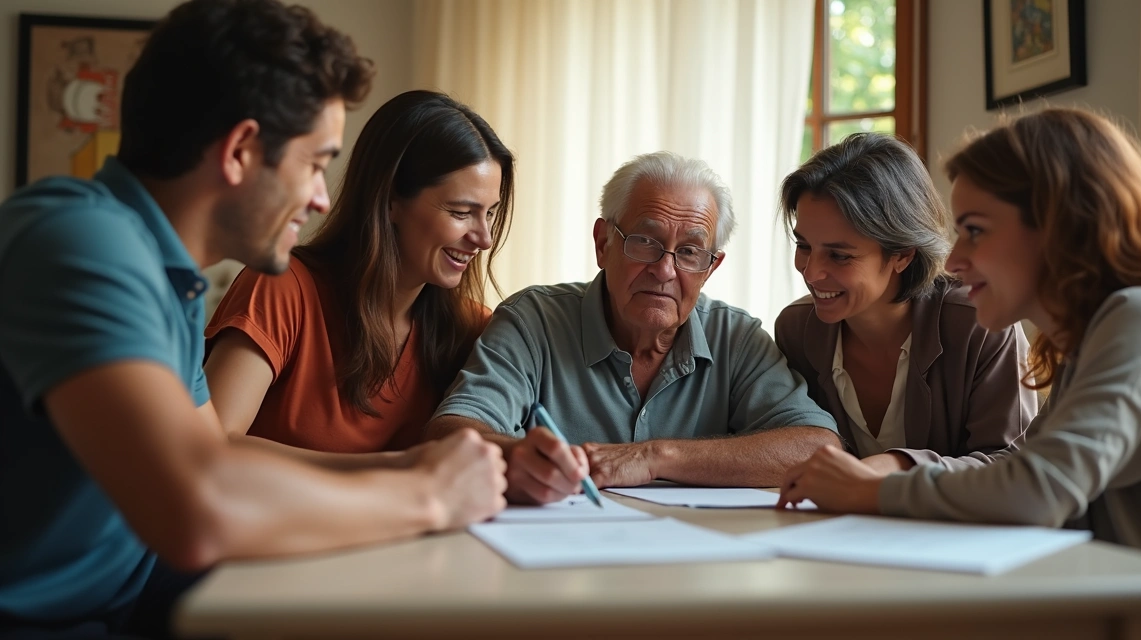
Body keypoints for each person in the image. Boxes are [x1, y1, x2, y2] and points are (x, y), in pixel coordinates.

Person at [0, 2, 505, 637]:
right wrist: (429, 497)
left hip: (132, 599)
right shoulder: (78, 241)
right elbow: (198, 507)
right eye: (316, 162)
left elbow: (212, 454)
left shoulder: (164, 275)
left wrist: (407, 467)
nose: (322, 197)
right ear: (240, 151)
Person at [777, 109, 1141, 634]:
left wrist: (871, 490)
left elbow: (1037, 489)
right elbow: (1031, 476)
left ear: (1059, 228)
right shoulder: (1094, 340)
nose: (954, 259)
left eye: (976, 232)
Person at [425, 151, 840, 505]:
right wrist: (516, 457)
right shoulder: (533, 320)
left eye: (691, 252)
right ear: (603, 243)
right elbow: (450, 433)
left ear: (711, 268)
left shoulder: (736, 338)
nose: (664, 270)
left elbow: (818, 446)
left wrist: (656, 457)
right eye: (645, 241)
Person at [203, 90, 513, 464]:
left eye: (491, 213)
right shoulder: (282, 288)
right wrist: (393, 468)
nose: (484, 238)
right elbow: (213, 442)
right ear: (390, 200)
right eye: (462, 212)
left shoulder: (471, 326)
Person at [773, 133, 1037, 474]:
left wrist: (895, 465)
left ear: (903, 254)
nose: (811, 272)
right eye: (804, 246)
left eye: (839, 255)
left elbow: (1012, 466)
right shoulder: (796, 329)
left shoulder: (980, 322)